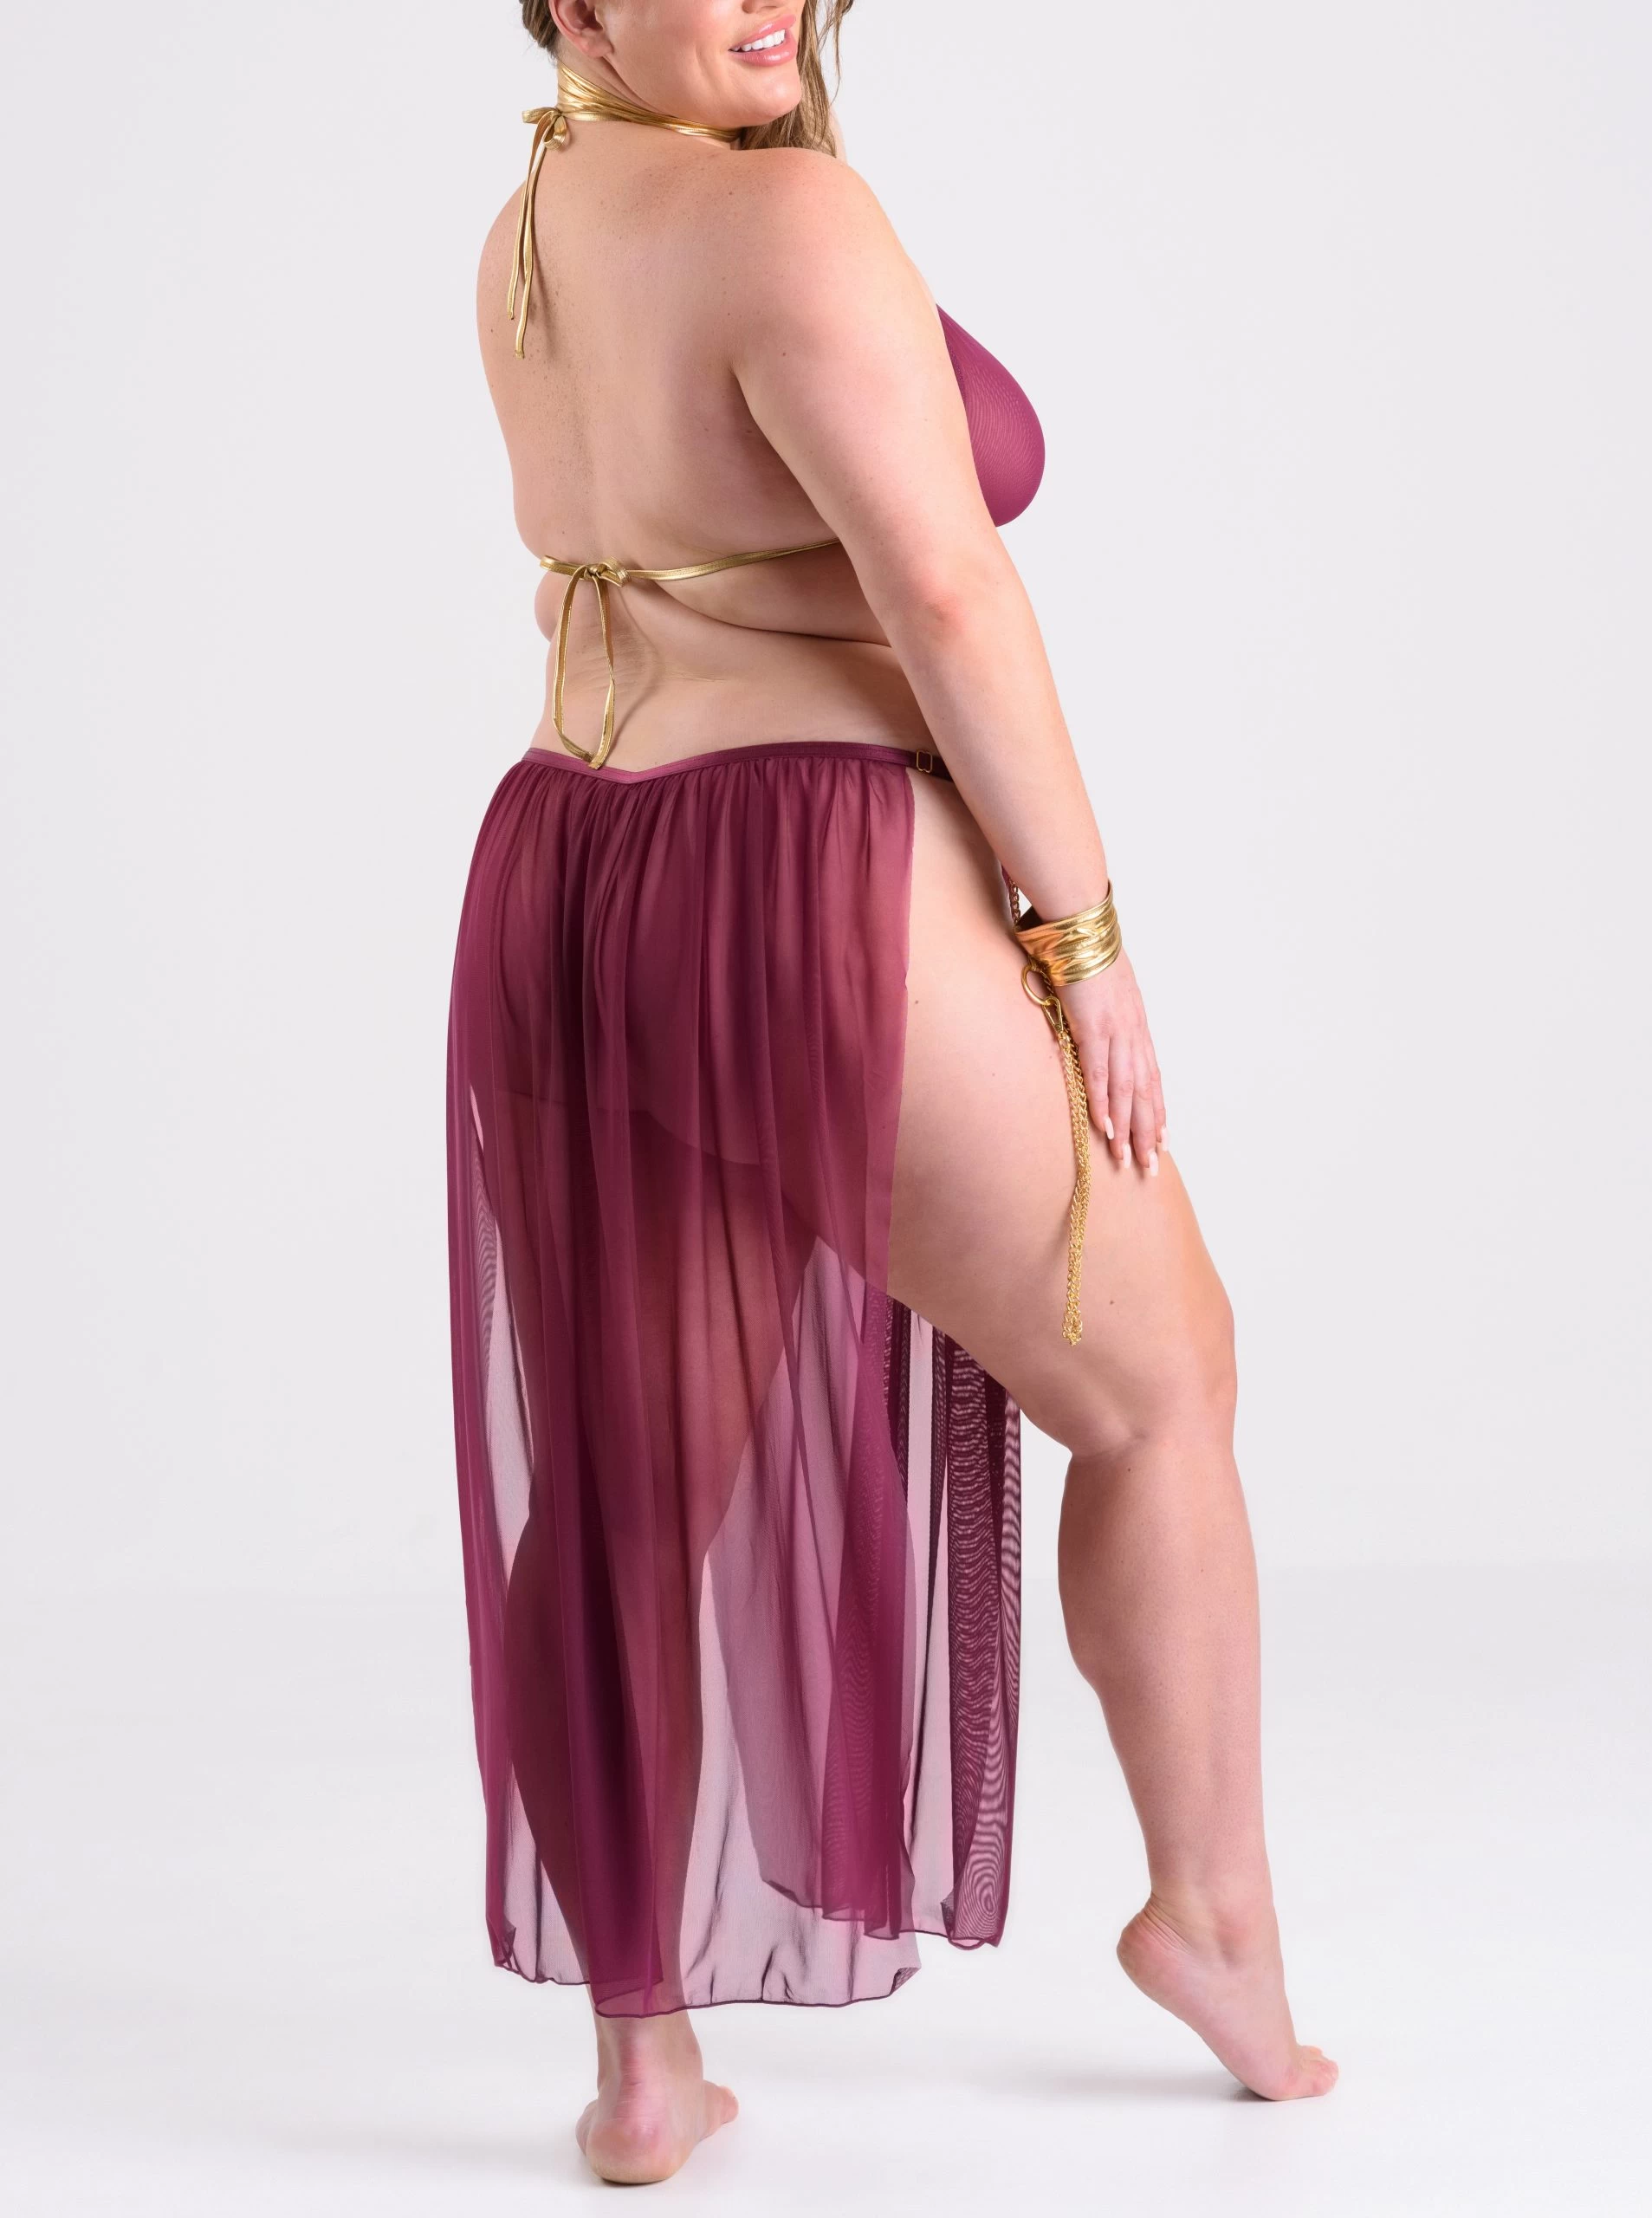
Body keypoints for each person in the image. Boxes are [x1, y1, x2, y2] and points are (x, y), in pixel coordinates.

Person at [444, 0, 1338, 2186]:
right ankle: (1214, 1917)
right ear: (570, 3)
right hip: (807, 872)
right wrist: (1083, 934)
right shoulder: (791, 223)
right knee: (1163, 1383)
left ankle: (643, 2065)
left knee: (632, 1487)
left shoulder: (533, 225)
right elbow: (945, 583)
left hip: (577, 872)